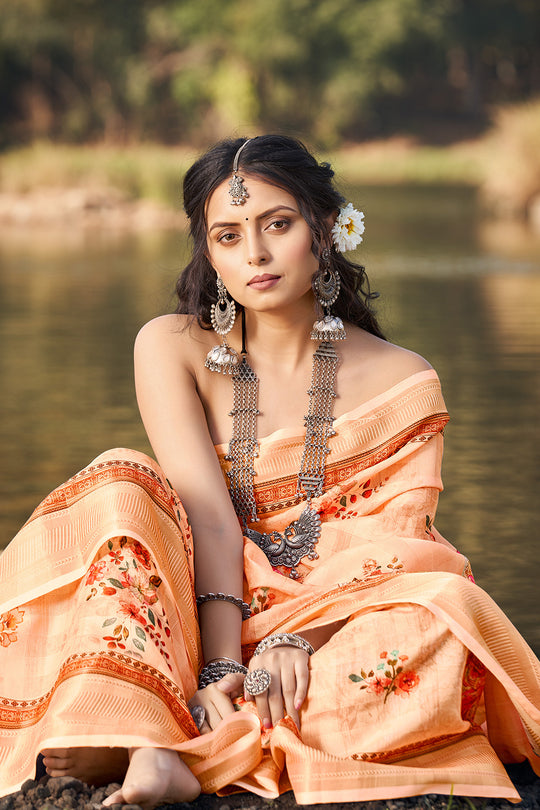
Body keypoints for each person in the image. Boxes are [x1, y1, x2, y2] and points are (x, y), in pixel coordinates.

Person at [0, 134, 538, 808]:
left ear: (325, 228)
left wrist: (298, 636)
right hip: (200, 609)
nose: (253, 253)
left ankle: (181, 758)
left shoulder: (405, 378)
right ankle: (153, 719)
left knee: (446, 608)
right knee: (122, 480)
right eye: (227, 236)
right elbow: (209, 521)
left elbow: (400, 545)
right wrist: (225, 663)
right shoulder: (173, 346)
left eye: (276, 226)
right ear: (209, 252)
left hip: (340, 617)